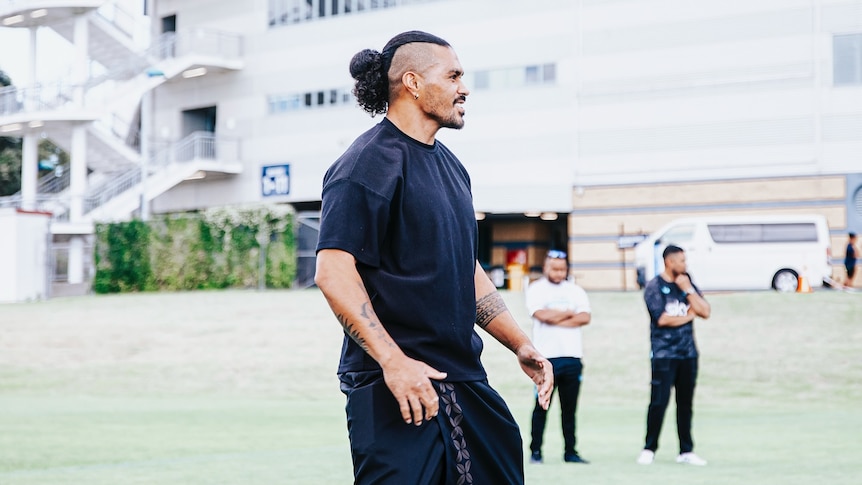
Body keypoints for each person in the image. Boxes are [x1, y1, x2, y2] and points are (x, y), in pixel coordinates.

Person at [314, 31, 554, 485]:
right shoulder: (366, 162)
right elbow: (333, 270)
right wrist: (394, 362)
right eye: (454, 75)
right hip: (394, 386)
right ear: (413, 82)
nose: (465, 88)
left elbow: (466, 267)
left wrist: (519, 342)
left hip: (464, 380)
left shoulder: (453, 168)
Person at [637, 245, 711, 466]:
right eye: (681, 261)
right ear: (669, 262)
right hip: (663, 354)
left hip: (688, 354)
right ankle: (649, 448)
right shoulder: (654, 286)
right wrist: (690, 316)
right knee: (659, 402)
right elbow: (662, 319)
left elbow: (705, 311)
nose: (684, 265)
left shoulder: (687, 282)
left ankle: (686, 451)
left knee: (685, 403)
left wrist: (688, 290)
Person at [525, 249, 591, 465]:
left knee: (569, 409)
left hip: (572, 357)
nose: (558, 272)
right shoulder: (536, 289)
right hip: (546, 359)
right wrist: (569, 312)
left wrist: (556, 317)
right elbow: (541, 315)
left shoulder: (576, 291)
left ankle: (570, 451)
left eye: (562, 269)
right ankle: (536, 451)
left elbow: (585, 317)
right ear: (545, 267)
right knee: (541, 406)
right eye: (554, 268)